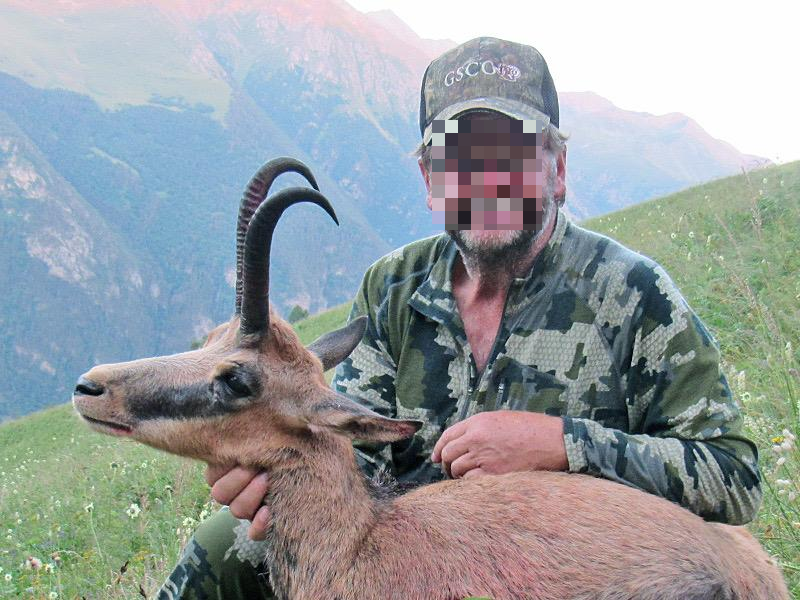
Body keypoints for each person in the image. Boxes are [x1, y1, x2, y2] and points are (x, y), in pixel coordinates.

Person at [156, 37, 762, 600]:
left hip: (587, 567)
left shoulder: (630, 291)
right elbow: (355, 461)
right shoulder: (393, 287)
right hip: (415, 556)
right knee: (225, 544)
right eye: (458, 157)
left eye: (512, 151)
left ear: (557, 169)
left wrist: (562, 444)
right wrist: (274, 475)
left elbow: (734, 478)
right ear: (430, 180)